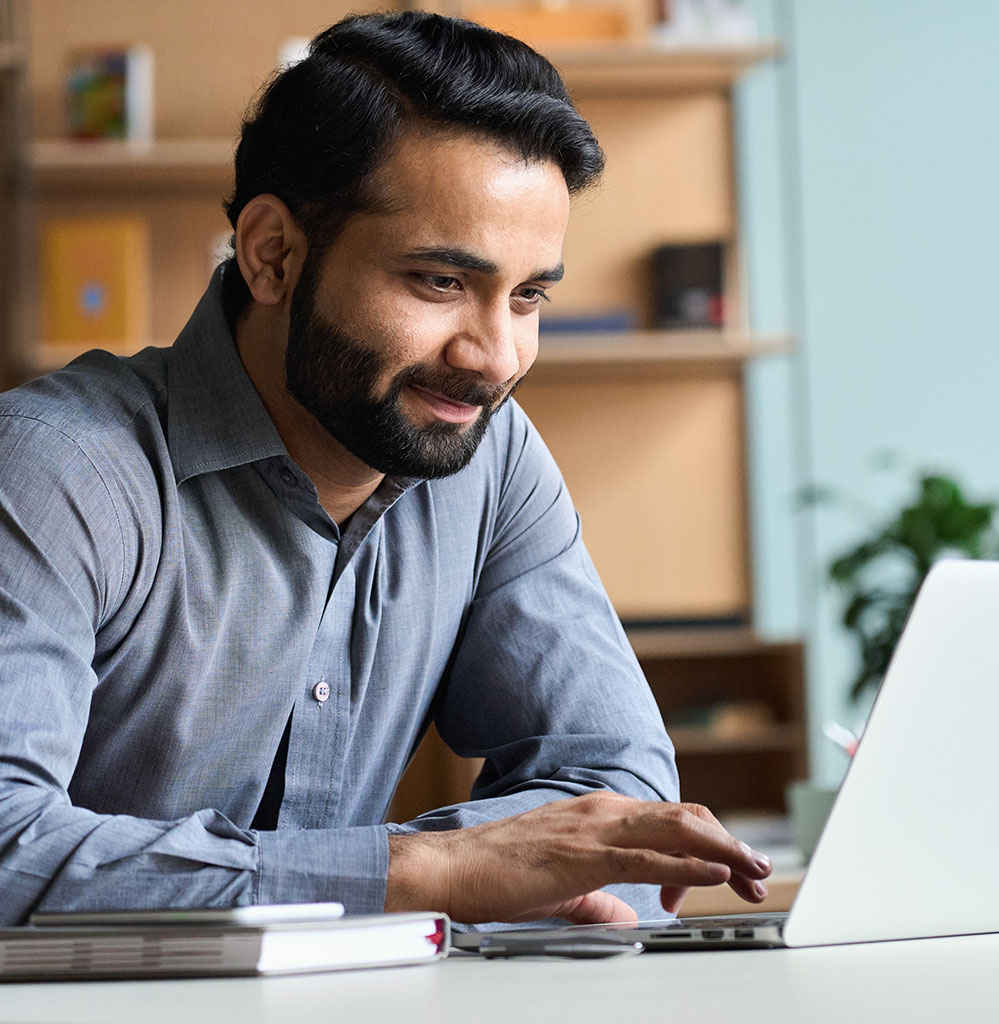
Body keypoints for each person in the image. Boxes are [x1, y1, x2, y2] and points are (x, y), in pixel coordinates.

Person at [0, 11, 771, 928]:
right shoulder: (53, 469)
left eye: (528, 296)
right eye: (441, 282)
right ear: (273, 255)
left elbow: (623, 795)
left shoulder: (491, 459)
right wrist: (421, 874)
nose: (494, 357)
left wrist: (451, 874)